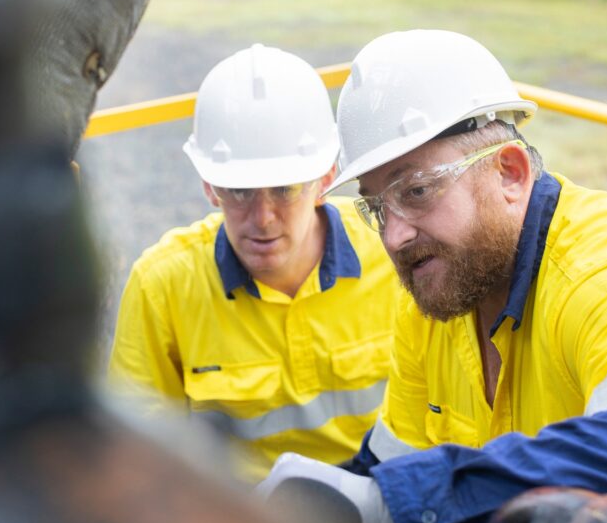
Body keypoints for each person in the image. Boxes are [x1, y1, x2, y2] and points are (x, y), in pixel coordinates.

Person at [258, 29, 607, 523]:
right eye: (377, 207)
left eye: (418, 190)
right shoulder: (438, 302)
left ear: (510, 174)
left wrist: (395, 502)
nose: (394, 235)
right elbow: (389, 465)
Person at [107, 44, 400, 481]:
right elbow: (137, 458)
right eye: (240, 192)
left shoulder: (393, 257)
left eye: (284, 190)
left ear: (325, 178)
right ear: (210, 187)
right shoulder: (163, 284)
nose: (262, 219)